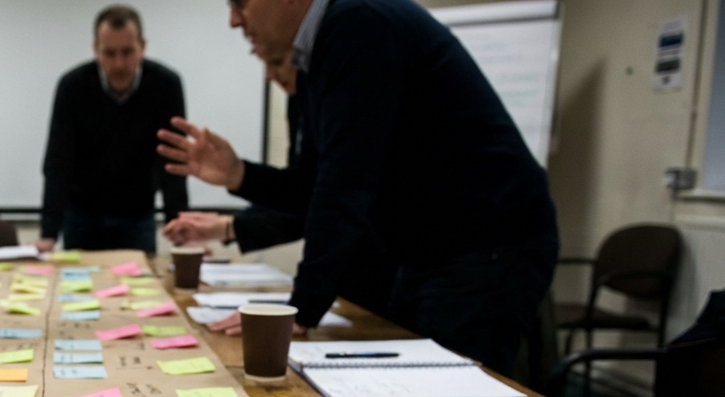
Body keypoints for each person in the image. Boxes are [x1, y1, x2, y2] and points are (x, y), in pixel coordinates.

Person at [159, 0, 558, 375]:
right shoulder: (324, 48)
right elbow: (314, 187)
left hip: (484, 247)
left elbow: (344, 187)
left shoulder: (358, 24)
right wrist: (239, 174)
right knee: (414, 388)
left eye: (240, 2)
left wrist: (300, 309)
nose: (234, 20)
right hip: (434, 251)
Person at [163, 51, 396, 320]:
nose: (268, 75)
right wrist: (238, 181)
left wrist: (302, 305)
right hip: (349, 276)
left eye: (276, 61)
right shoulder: (301, 101)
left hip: (387, 264)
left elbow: (333, 200)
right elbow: (303, 194)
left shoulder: (343, 97)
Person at [36, 5, 188, 254]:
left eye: (127, 52)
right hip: (82, 216)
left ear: (143, 48)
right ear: (96, 50)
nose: (119, 64)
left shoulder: (165, 85)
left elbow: (174, 162)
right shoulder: (72, 87)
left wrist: (181, 226)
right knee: (79, 289)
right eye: (110, 53)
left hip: (138, 215)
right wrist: (48, 234)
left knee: (140, 289)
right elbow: (58, 161)